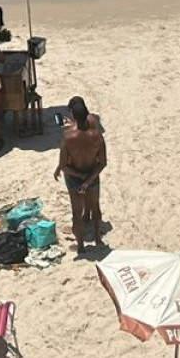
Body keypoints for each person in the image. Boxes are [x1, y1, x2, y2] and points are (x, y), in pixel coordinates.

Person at [56, 97, 107, 249]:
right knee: (96, 209)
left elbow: (64, 166)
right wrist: (88, 180)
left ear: (72, 114)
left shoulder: (68, 137)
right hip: (92, 176)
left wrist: (80, 178)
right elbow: (103, 163)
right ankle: (98, 239)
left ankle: (80, 246)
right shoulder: (97, 136)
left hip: (75, 178)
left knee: (76, 214)